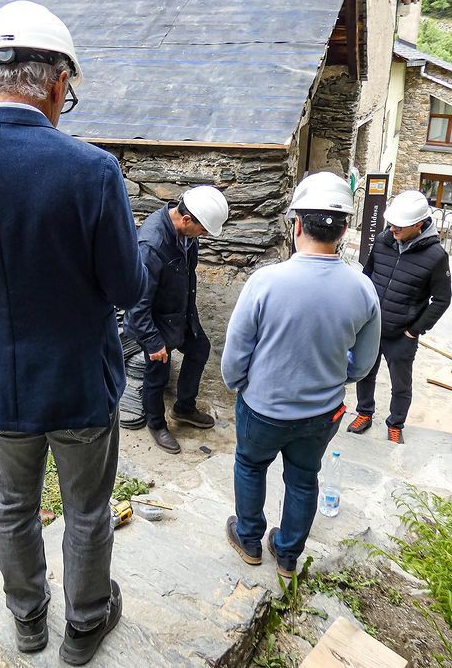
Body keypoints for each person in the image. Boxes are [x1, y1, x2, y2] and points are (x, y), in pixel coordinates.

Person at [0, 0, 147, 665]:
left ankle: (28, 623)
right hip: (78, 386)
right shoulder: (92, 170)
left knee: (11, 508)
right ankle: (85, 627)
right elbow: (127, 288)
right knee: (87, 512)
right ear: (57, 82)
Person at [221, 172, 380, 578]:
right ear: (343, 230)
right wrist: (332, 376)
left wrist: (239, 384)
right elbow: (363, 364)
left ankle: (249, 539)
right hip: (321, 412)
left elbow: (235, 354)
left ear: (296, 225)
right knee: (304, 479)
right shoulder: (363, 289)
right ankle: (287, 555)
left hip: (263, 407)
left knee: (250, 465)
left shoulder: (265, 281)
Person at [123, 187, 229, 455]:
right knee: (157, 373)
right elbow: (137, 302)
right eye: (203, 230)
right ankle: (156, 424)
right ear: (186, 219)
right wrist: (152, 341)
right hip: (154, 320)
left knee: (199, 349)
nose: (204, 235)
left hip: (179, 312)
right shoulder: (151, 246)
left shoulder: (187, 233)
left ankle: (184, 408)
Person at [350, 190, 451, 444]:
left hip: (402, 335)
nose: (392, 228)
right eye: (392, 223)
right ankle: (364, 413)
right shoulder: (382, 241)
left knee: (401, 384)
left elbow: (442, 300)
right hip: (372, 327)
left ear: (418, 225)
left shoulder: (436, 257)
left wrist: (414, 330)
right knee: (365, 373)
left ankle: (395, 423)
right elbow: (367, 276)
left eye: (399, 226)